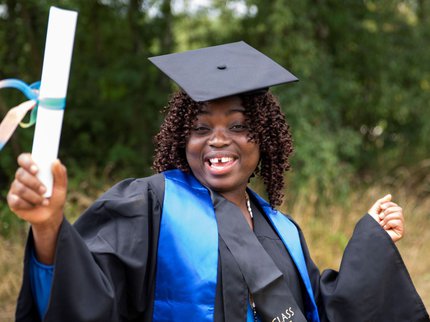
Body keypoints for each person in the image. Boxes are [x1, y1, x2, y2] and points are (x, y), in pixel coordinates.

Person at [7, 41, 429, 322]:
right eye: (200, 127)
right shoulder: (149, 204)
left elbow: (320, 309)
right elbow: (85, 291)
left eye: (239, 125)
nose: (218, 140)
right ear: (181, 138)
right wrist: (47, 225)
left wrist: (372, 242)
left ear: (263, 138)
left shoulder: (283, 229)